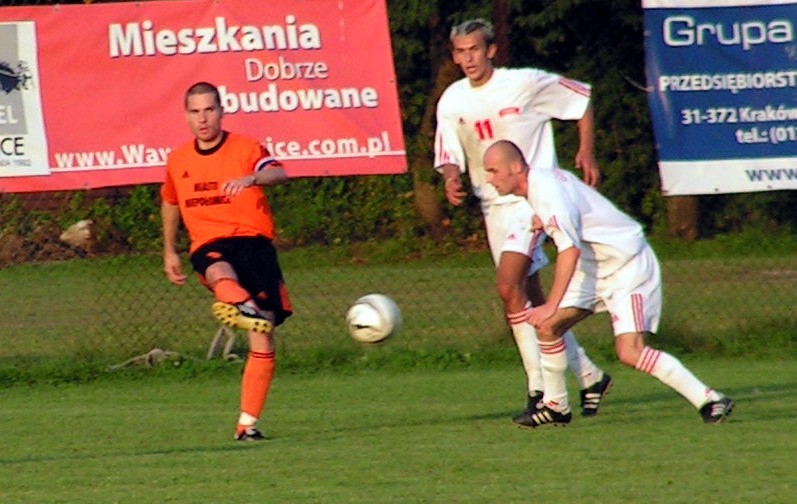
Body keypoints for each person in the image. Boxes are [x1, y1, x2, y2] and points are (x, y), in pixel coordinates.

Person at [434, 18, 611, 425]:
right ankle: (589, 375)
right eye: (460, 52)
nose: (468, 58)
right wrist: (451, 177)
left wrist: (586, 151)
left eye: (475, 49)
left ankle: (540, 391)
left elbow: (581, 100)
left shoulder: (524, 83)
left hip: (532, 201)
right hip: (494, 206)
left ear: (491, 50)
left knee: (507, 286)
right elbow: (447, 153)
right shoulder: (453, 99)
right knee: (527, 298)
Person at [483, 139, 735, 426]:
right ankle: (556, 407)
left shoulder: (546, 191)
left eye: (493, 170)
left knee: (629, 352)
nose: (488, 179)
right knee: (548, 327)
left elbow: (569, 250)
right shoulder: (543, 181)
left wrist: (551, 303)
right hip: (595, 266)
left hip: (627, 266)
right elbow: (578, 204)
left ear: (515, 168)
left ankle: (710, 399)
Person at [160, 81, 293, 441]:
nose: (202, 119)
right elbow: (171, 202)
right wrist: (169, 249)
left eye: (209, 110)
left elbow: (279, 172)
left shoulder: (246, 149)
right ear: (186, 116)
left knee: (263, 339)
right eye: (195, 111)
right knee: (218, 269)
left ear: (221, 111)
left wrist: (252, 178)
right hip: (209, 244)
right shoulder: (178, 160)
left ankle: (246, 425)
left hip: (254, 244)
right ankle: (239, 302)